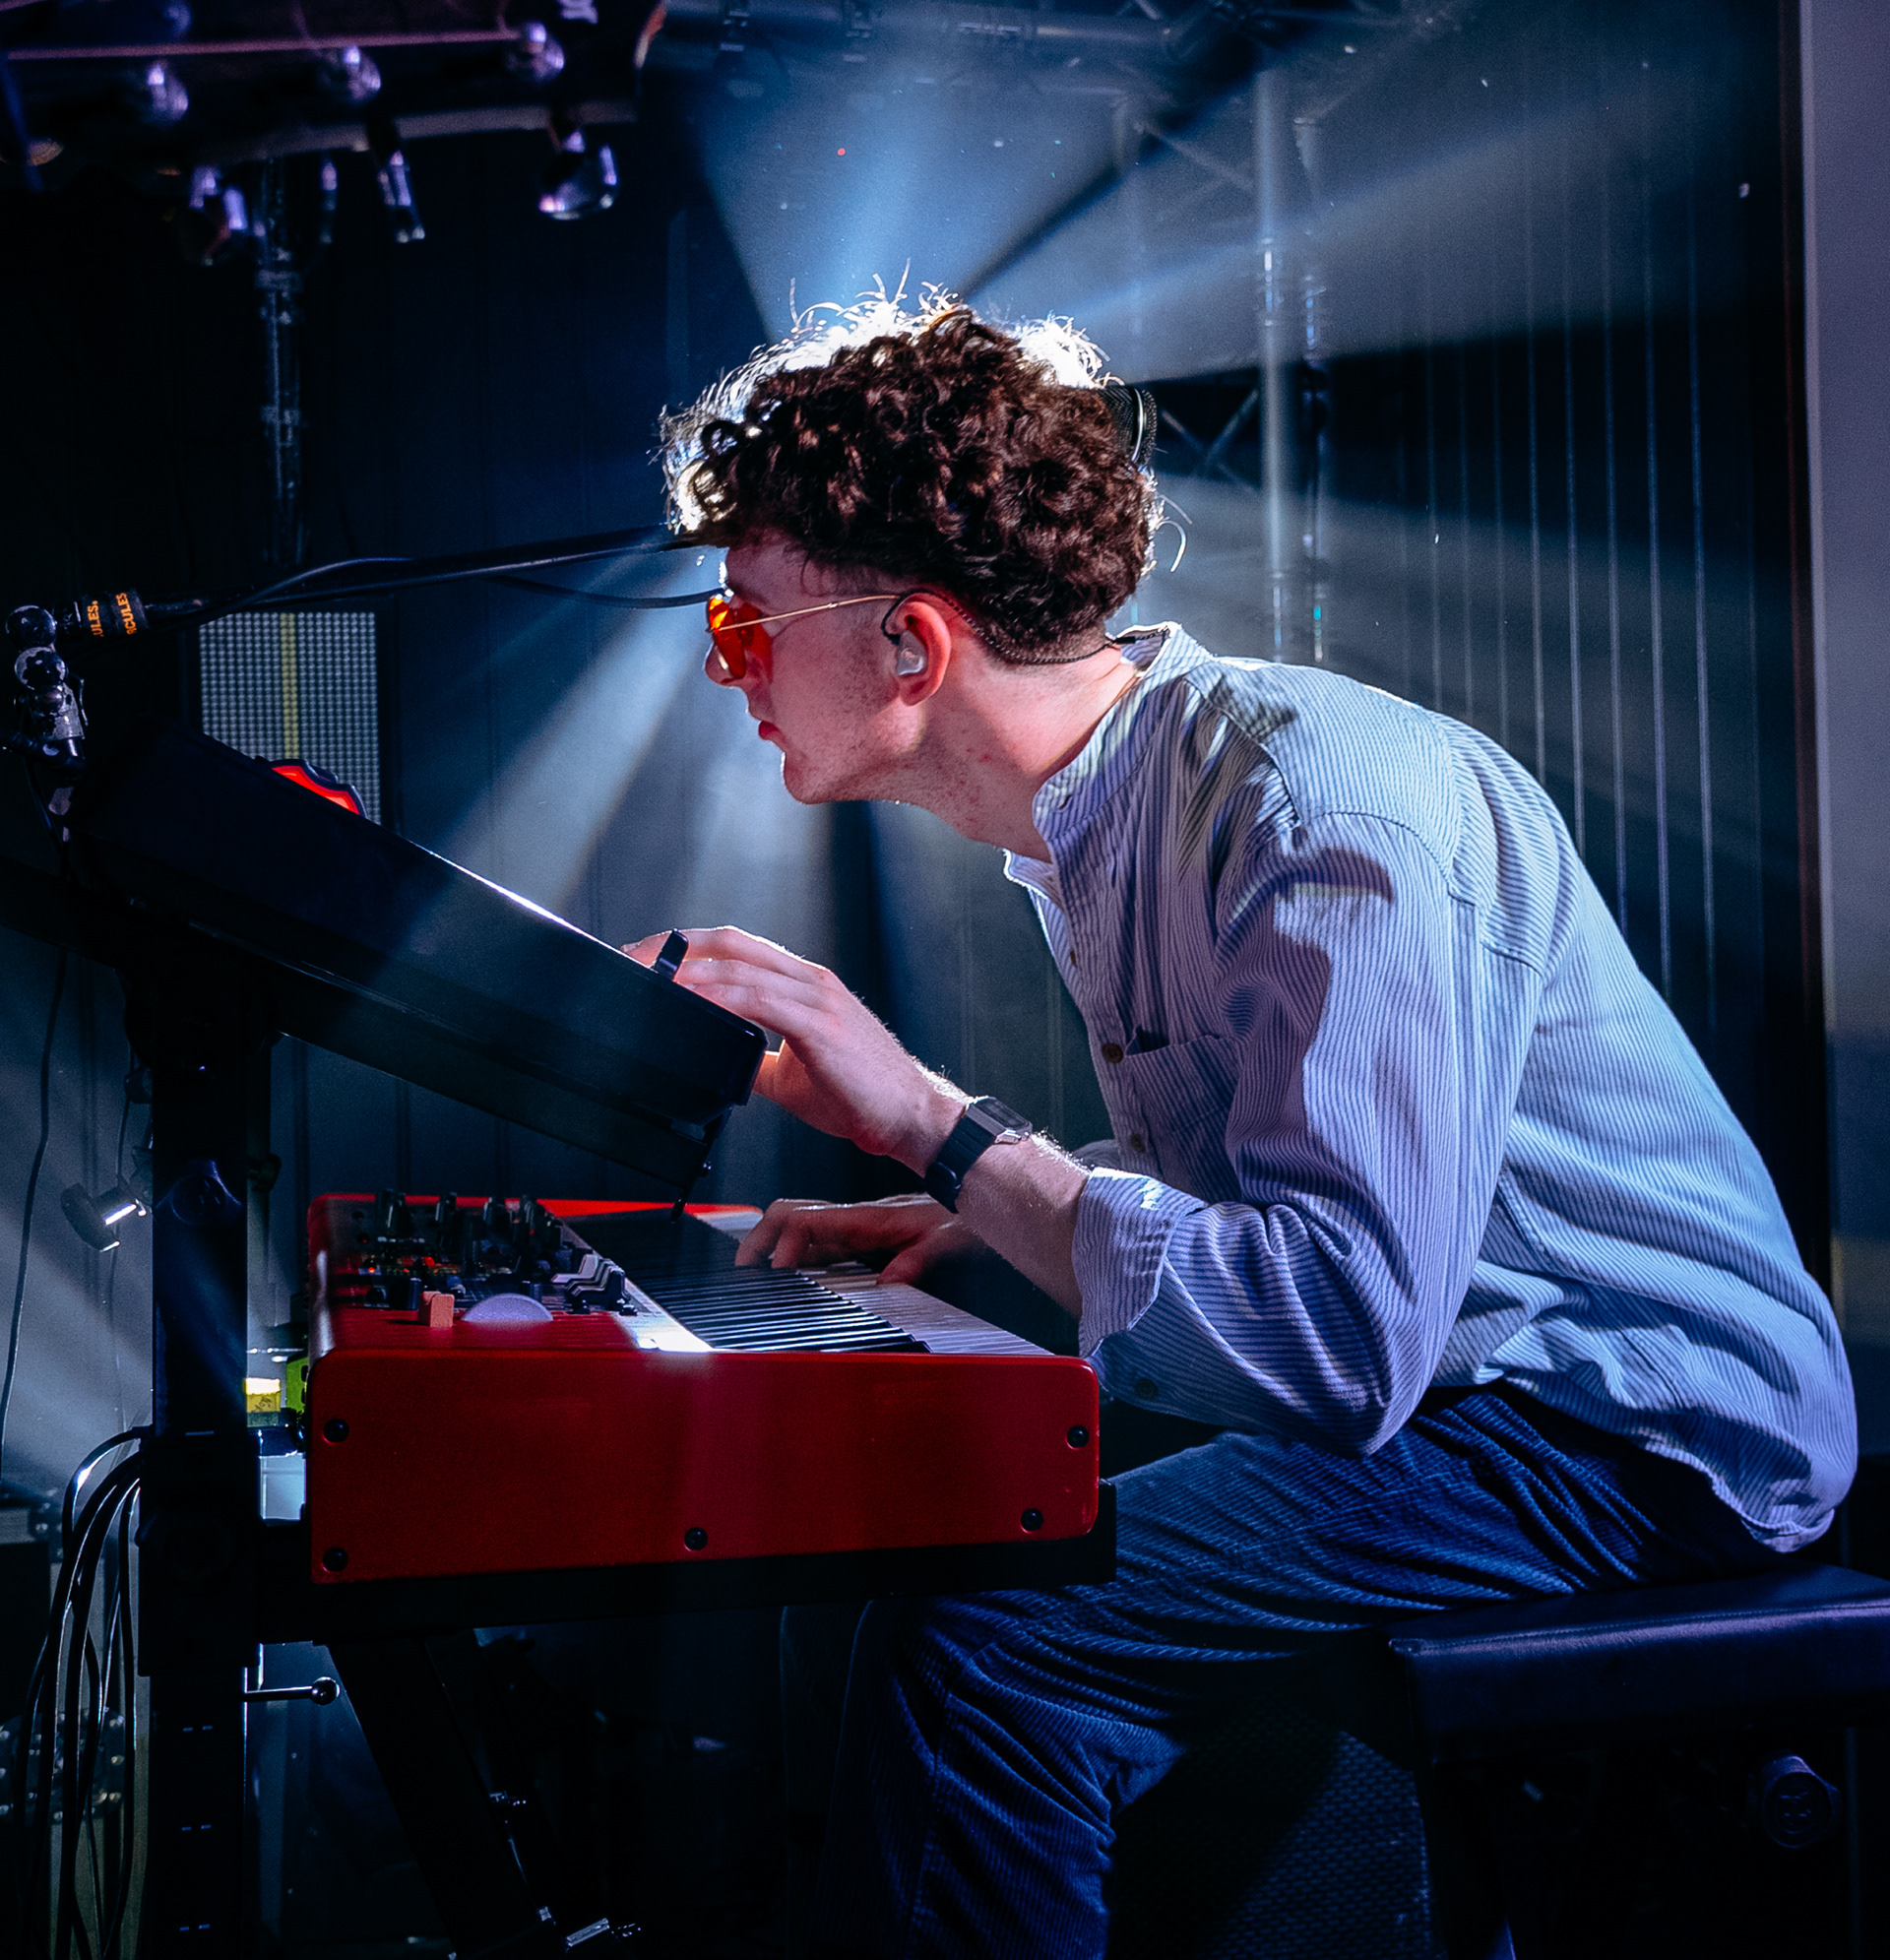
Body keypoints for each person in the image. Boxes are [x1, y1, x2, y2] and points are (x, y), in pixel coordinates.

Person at [628, 297, 1856, 1959]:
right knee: (901, 1537)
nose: (731, 670)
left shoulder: (1318, 804)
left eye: (745, 627)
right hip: (1467, 1382)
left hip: (1626, 1435)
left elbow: (1336, 1333)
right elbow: (1268, 1182)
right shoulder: (1118, 814)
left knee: (982, 1638)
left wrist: (934, 1128)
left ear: (912, 646)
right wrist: (978, 1213)